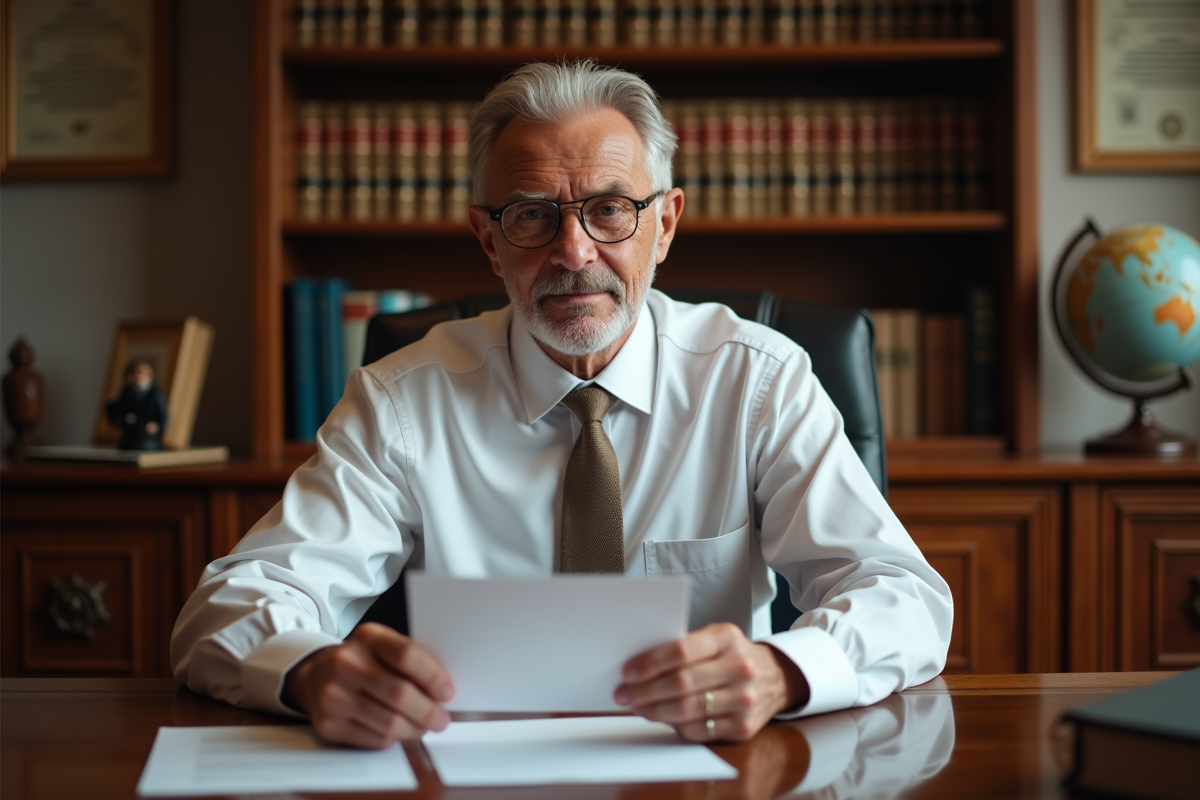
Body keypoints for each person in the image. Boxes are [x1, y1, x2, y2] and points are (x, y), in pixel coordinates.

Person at [172, 60, 952, 749]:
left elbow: (904, 599)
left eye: (610, 209)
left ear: (665, 224)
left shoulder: (758, 380)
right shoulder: (401, 402)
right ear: (489, 239)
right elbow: (225, 611)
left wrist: (783, 669)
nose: (574, 252)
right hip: (474, 763)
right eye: (533, 214)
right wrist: (309, 673)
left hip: (712, 766)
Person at [106, 359, 168, 451]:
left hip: (146, 440)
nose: (138, 378)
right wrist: (124, 419)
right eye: (135, 375)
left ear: (149, 376)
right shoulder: (128, 391)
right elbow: (117, 409)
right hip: (129, 438)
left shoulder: (155, 393)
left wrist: (156, 426)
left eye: (141, 374)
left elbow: (163, 415)